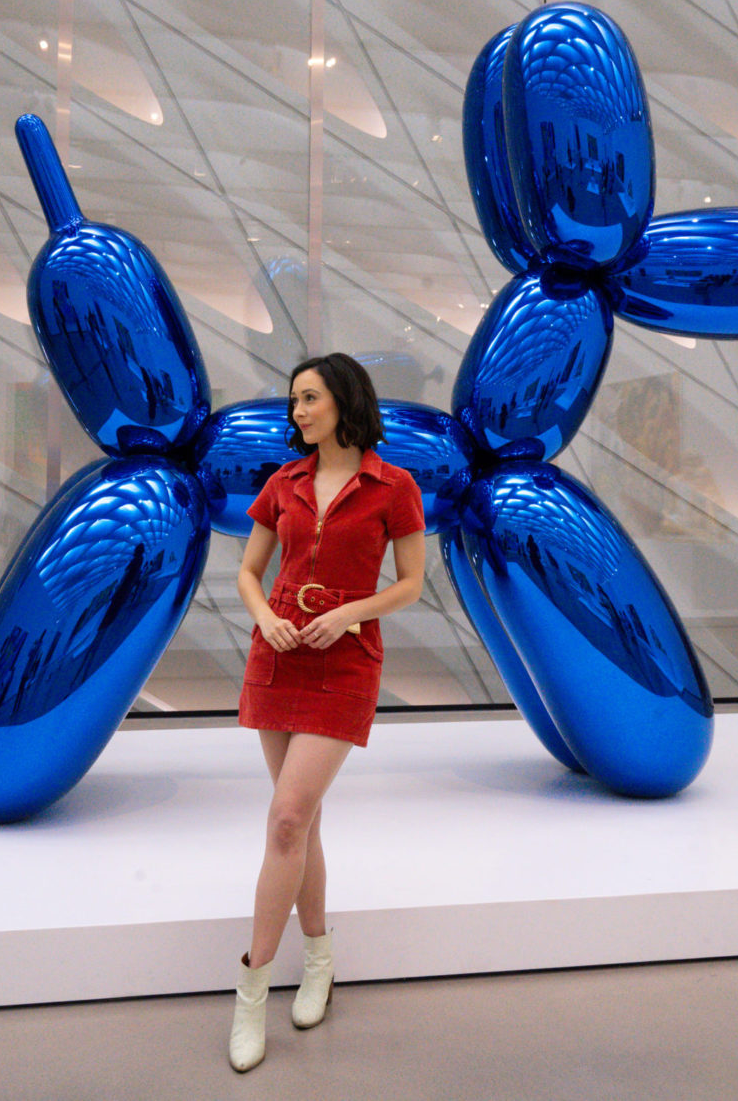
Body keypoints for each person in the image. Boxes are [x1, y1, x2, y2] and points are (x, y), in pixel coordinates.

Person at [229, 353, 426, 1072]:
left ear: (344, 400)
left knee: (287, 816)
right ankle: (317, 959)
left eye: (309, 398)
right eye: (294, 402)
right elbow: (249, 572)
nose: (298, 413)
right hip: (278, 653)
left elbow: (410, 585)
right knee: (298, 820)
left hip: (344, 659)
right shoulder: (283, 483)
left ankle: (251, 984)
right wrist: (264, 619)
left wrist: (351, 615)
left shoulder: (394, 486)